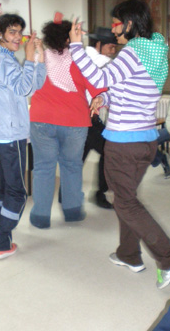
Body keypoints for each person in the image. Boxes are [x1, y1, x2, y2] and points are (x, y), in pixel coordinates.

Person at [69, 0, 170, 289]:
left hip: (124, 144)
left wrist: (75, 46)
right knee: (127, 199)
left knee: (124, 201)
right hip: (143, 140)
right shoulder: (152, 51)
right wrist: (105, 98)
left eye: (117, 23)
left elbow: (98, 76)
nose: (113, 29)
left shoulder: (132, 52)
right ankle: (129, 254)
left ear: (131, 24)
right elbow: (132, 90)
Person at [0, 14, 46, 259]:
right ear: (0, 34)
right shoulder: (5, 62)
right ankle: (2, 242)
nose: (18, 37)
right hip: (9, 135)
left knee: (5, 182)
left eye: (20, 32)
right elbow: (25, 88)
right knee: (17, 193)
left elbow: (32, 86)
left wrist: (39, 60)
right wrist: (29, 57)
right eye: (12, 32)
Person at [29, 18, 106, 229]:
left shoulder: (39, 57)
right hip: (74, 121)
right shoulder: (80, 59)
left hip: (41, 119)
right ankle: (72, 212)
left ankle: (40, 217)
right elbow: (97, 85)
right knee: (72, 166)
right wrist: (99, 98)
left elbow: (28, 84)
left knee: (43, 168)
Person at [83, 27, 117, 209]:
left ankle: (66, 197)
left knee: (76, 159)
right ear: (98, 45)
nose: (112, 52)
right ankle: (100, 193)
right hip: (87, 118)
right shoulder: (102, 61)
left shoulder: (81, 57)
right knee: (108, 151)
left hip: (84, 118)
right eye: (110, 47)